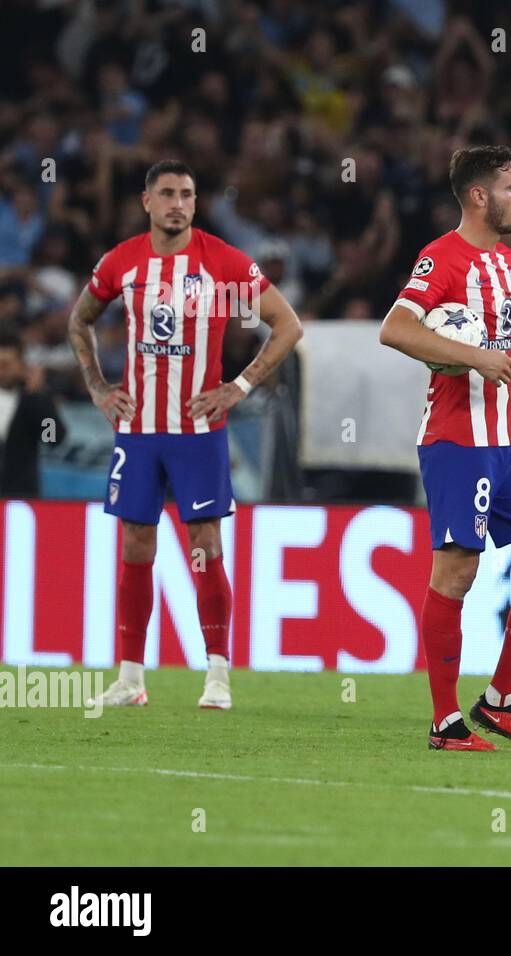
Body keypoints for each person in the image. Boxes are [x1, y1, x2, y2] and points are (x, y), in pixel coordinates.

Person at [70, 160, 304, 711]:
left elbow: (288, 324)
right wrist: (100, 388)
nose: (179, 203)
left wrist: (239, 386)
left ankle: (217, 675)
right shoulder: (122, 263)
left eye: (188, 194)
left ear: (196, 204)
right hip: (139, 431)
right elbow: (80, 319)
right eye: (168, 193)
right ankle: (130, 677)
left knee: (204, 548)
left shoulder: (221, 261)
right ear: (146, 201)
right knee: (135, 543)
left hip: (198, 431)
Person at [379, 145, 511, 753]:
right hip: (458, 441)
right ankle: (445, 724)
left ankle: (500, 700)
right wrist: (476, 357)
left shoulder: (509, 262)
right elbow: (396, 328)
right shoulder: (441, 258)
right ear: (478, 197)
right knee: (457, 572)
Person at [0, 329, 65, 496]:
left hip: (18, 496)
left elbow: (52, 439)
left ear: (21, 365)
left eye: (6, 364)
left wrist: (39, 398)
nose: (1, 370)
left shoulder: (34, 401)